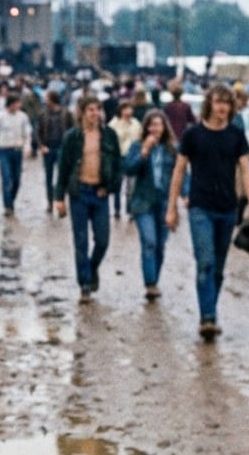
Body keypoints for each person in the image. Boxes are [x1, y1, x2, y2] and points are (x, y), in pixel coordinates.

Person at [165, 83, 249, 341]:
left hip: (227, 208)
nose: (223, 108)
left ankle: (210, 311)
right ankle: (207, 317)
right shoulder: (193, 135)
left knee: (218, 269)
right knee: (205, 262)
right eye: (219, 102)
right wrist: (171, 206)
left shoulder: (235, 135)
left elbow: (246, 169)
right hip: (200, 207)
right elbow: (179, 170)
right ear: (210, 104)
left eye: (227, 103)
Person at [54, 95, 122, 301]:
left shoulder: (109, 135)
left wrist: (109, 188)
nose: (95, 113)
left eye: (98, 109)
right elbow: (64, 168)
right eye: (90, 109)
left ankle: (92, 268)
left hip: (100, 194)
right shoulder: (72, 137)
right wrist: (59, 198)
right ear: (82, 113)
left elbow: (118, 167)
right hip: (79, 193)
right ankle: (84, 284)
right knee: (81, 241)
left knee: (102, 240)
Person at [123, 109, 177, 300]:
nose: (155, 128)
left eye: (159, 124)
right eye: (152, 124)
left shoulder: (172, 148)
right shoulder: (137, 146)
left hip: (164, 203)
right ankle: (150, 283)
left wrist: (186, 195)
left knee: (161, 245)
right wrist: (144, 152)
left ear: (164, 127)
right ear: (146, 127)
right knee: (149, 241)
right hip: (143, 202)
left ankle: (155, 279)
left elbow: (181, 174)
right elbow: (128, 170)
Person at [0, 91, 32, 217]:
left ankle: (11, 200)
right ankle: (8, 207)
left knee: (17, 180)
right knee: (6, 179)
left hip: (17, 151)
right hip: (3, 151)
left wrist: (27, 146)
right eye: (17, 103)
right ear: (10, 104)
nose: (18, 106)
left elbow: (27, 133)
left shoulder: (23, 117)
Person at [36, 90, 71, 213]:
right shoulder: (43, 114)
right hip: (48, 147)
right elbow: (38, 131)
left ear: (52, 99)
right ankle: (50, 202)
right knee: (48, 177)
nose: (45, 100)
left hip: (62, 146)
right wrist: (41, 146)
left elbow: (72, 130)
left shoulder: (66, 113)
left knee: (62, 176)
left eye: (46, 97)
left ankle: (60, 199)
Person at [107, 100, 141, 218]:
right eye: (126, 109)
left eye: (130, 109)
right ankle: (117, 209)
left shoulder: (136, 123)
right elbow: (110, 139)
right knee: (118, 184)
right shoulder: (114, 123)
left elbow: (139, 139)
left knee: (131, 185)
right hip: (119, 156)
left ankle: (130, 209)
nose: (128, 111)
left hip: (132, 157)